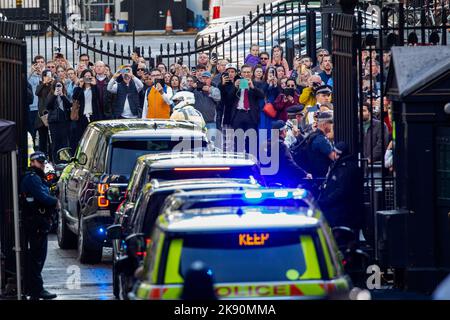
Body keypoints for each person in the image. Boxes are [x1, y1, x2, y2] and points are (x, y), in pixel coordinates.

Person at [20, 152, 58, 300]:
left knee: (37, 258)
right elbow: (43, 197)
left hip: (39, 223)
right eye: (39, 162)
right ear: (32, 162)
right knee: (37, 258)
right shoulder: (32, 178)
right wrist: (55, 201)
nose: (42, 165)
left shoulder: (38, 178)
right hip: (35, 223)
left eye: (43, 162)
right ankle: (36, 290)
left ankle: (33, 288)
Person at [317, 141, 364, 231]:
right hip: (343, 212)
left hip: (344, 213)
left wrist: (325, 201)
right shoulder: (342, 165)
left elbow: (341, 191)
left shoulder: (345, 168)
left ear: (337, 153)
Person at [262, 120, 311, 187]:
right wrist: (304, 174)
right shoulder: (281, 145)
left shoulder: (265, 144)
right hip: (280, 181)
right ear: (284, 131)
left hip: (266, 180)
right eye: (286, 131)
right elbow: (290, 163)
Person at [72, 69, 101, 149]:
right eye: (85, 76)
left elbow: (98, 98)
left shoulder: (95, 88)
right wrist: (80, 86)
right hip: (82, 116)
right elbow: (75, 98)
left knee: (93, 138)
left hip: (93, 115)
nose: (87, 78)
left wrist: (94, 85)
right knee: (82, 138)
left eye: (89, 76)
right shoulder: (79, 88)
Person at [45, 81, 72, 161]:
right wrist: (54, 95)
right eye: (57, 86)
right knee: (55, 142)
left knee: (65, 141)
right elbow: (48, 106)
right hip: (54, 122)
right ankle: (56, 160)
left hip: (65, 120)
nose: (59, 87)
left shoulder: (65, 94)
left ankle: (65, 159)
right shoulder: (50, 95)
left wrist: (62, 95)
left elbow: (69, 104)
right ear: (54, 87)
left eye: (60, 86)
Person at [305, 112, 336, 178]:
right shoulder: (321, 140)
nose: (332, 125)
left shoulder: (313, 135)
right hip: (319, 178)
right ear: (325, 124)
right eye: (331, 122)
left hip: (314, 176)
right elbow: (335, 157)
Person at [193, 71, 221, 138]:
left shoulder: (214, 89)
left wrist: (210, 90)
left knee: (211, 143)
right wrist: (193, 87)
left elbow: (218, 98)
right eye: (203, 78)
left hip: (210, 122)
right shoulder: (196, 90)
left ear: (210, 79)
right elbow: (187, 93)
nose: (205, 80)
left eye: (207, 78)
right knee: (198, 143)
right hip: (198, 122)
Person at [35, 69, 53, 157]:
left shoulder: (53, 84)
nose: (47, 77)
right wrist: (43, 83)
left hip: (51, 114)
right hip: (41, 116)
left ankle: (51, 156)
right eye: (45, 75)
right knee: (42, 138)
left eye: (49, 75)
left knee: (51, 139)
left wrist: (50, 83)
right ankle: (42, 156)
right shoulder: (40, 85)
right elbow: (37, 93)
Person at [28, 55, 45, 145]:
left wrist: (42, 73)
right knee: (32, 133)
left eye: (42, 62)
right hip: (33, 108)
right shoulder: (30, 76)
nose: (40, 64)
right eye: (38, 62)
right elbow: (23, 83)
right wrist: (31, 71)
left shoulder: (46, 75)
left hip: (43, 109)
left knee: (43, 133)